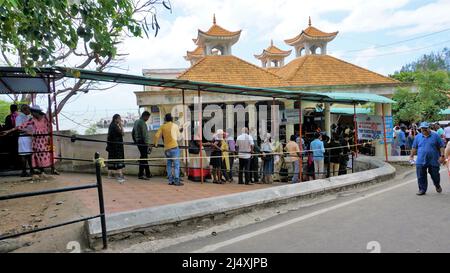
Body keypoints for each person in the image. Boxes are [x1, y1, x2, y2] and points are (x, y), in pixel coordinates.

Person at [1, 105, 56, 175]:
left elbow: (50, 124)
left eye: (32, 112)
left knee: (50, 153)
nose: (31, 114)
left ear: (36, 112)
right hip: (36, 140)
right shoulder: (31, 119)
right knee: (37, 155)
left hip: (44, 139)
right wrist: (8, 131)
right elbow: (21, 126)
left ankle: (52, 169)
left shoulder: (45, 118)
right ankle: (39, 171)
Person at [409, 122, 445, 196]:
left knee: (435, 175)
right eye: (422, 128)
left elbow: (441, 146)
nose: (424, 130)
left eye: (425, 128)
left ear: (429, 128)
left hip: (434, 160)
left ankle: (437, 185)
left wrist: (442, 156)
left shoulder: (436, 136)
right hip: (421, 160)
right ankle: (422, 189)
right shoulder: (418, 137)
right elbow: (414, 147)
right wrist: (411, 156)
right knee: (421, 175)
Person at [154, 113, 183, 186]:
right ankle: (176, 181)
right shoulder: (175, 126)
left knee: (169, 164)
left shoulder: (162, 126)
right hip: (174, 148)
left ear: (165, 119)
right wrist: (180, 132)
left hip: (167, 149)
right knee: (176, 164)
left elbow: (156, 135)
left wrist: (156, 144)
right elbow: (179, 137)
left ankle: (170, 180)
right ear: (172, 119)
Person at [106, 114, 125, 183]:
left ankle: (110, 174)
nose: (120, 120)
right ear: (115, 119)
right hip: (116, 147)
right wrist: (121, 125)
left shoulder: (111, 126)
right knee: (118, 159)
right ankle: (120, 174)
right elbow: (122, 133)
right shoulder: (114, 126)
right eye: (119, 119)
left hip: (112, 146)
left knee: (111, 159)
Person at [132, 111, 151, 180]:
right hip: (142, 142)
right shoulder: (142, 123)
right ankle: (140, 174)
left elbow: (133, 132)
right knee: (143, 158)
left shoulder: (136, 122)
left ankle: (148, 173)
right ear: (145, 116)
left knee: (144, 157)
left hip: (138, 141)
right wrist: (148, 144)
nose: (148, 119)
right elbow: (144, 135)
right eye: (148, 117)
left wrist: (135, 141)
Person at [15, 104, 33, 176]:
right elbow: (18, 129)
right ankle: (24, 171)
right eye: (29, 109)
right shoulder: (19, 117)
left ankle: (31, 169)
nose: (30, 110)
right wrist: (27, 130)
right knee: (24, 155)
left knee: (29, 154)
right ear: (25, 109)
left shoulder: (27, 117)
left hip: (28, 137)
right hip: (23, 137)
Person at [4, 104, 19, 168]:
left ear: (10, 109)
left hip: (11, 136)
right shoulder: (19, 116)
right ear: (17, 109)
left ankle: (12, 164)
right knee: (18, 150)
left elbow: (6, 127)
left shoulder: (8, 117)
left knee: (12, 150)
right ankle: (19, 164)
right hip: (18, 136)